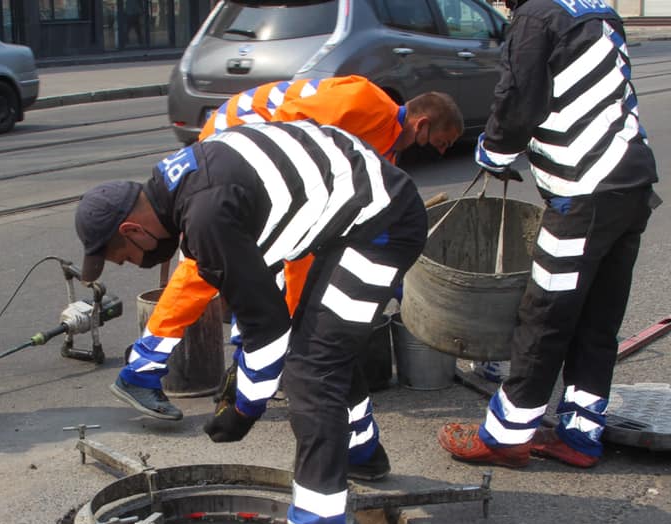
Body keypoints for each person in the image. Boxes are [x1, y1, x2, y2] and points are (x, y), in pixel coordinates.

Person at [75, 120, 428, 524]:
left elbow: (269, 332)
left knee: (312, 373)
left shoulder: (204, 216)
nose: (133, 263)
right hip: (350, 214)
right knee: (320, 342)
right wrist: (244, 371)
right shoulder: (184, 182)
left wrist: (243, 407)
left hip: (379, 225)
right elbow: (255, 286)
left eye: (122, 254)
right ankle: (363, 454)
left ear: (132, 229)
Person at [110, 76, 461, 481]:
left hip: (262, 161)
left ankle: (255, 363)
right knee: (208, 269)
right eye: (439, 143)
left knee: (284, 286)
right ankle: (142, 369)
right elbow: (291, 127)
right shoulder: (365, 102)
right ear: (421, 126)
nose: (438, 152)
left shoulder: (386, 144)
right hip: (239, 147)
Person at [437, 0, 658, 469]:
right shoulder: (595, 9)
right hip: (631, 182)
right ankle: (580, 432)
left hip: (584, 192)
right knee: (597, 317)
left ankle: (506, 434)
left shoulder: (537, 16)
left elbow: (518, 99)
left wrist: (493, 152)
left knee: (546, 313)